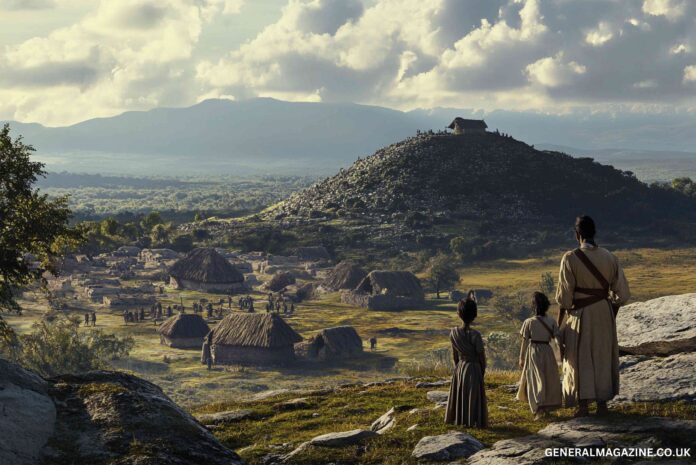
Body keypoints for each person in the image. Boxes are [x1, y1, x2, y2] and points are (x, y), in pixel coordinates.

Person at [556, 216, 630, 417]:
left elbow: (564, 298)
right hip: (604, 313)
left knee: (580, 357)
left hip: (581, 314)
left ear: (577, 234)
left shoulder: (570, 258)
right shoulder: (610, 257)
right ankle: (602, 404)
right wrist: (610, 313)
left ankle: (582, 405)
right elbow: (622, 295)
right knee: (602, 356)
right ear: (594, 233)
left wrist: (559, 324)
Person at [517, 292, 562, 419]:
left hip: (534, 351)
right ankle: (547, 405)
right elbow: (557, 337)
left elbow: (525, 341)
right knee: (548, 378)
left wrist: (521, 358)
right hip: (547, 351)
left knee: (536, 379)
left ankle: (539, 407)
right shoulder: (551, 321)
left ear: (534, 306)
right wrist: (561, 353)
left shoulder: (529, 322)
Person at [445, 294, 488, 427]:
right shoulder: (475, 335)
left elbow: (454, 355)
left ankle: (461, 419)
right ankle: (474, 420)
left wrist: (458, 368)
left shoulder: (453, 332)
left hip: (461, 366)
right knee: (473, 395)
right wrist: (482, 370)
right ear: (474, 315)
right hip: (473, 367)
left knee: (461, 394)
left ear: (458, 314)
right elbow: (481, 356)